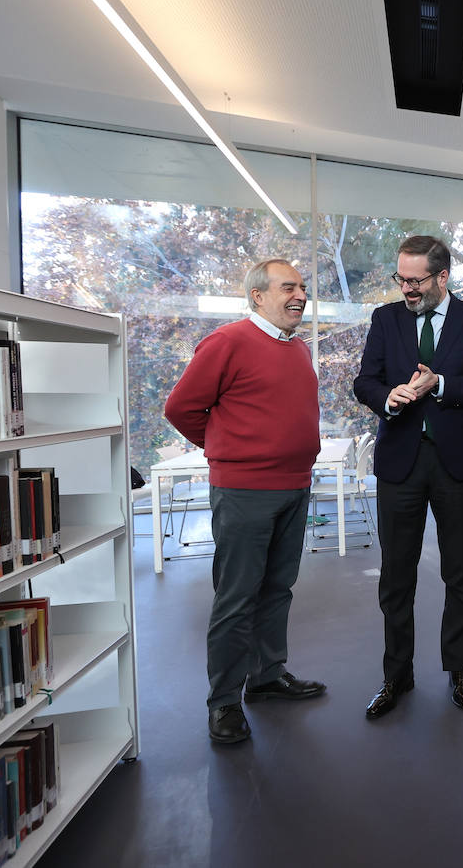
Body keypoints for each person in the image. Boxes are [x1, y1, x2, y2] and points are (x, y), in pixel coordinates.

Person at [163, 259, 326, 745]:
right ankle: (224, 702)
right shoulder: (227, 342)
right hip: (245, 492)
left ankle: (268, 676)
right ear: (258, 296)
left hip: (295, 487)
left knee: (278, 588)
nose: (300, 295)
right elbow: (180, 408)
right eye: (288, 287)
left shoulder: (296, 349)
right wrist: (226, 448)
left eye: (303, 288)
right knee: (237, 598)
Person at [353, 235, 463, 718]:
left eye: (415, 280)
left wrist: (441, 384)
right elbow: (364, 381)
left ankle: (459, 669)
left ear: (442, 277)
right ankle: (396, 674)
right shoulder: (385, 319)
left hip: (457, 463)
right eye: (401, 279)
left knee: (460, 572)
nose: (407, 289)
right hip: (399, 461)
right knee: (396, 575)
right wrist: (387, 398)